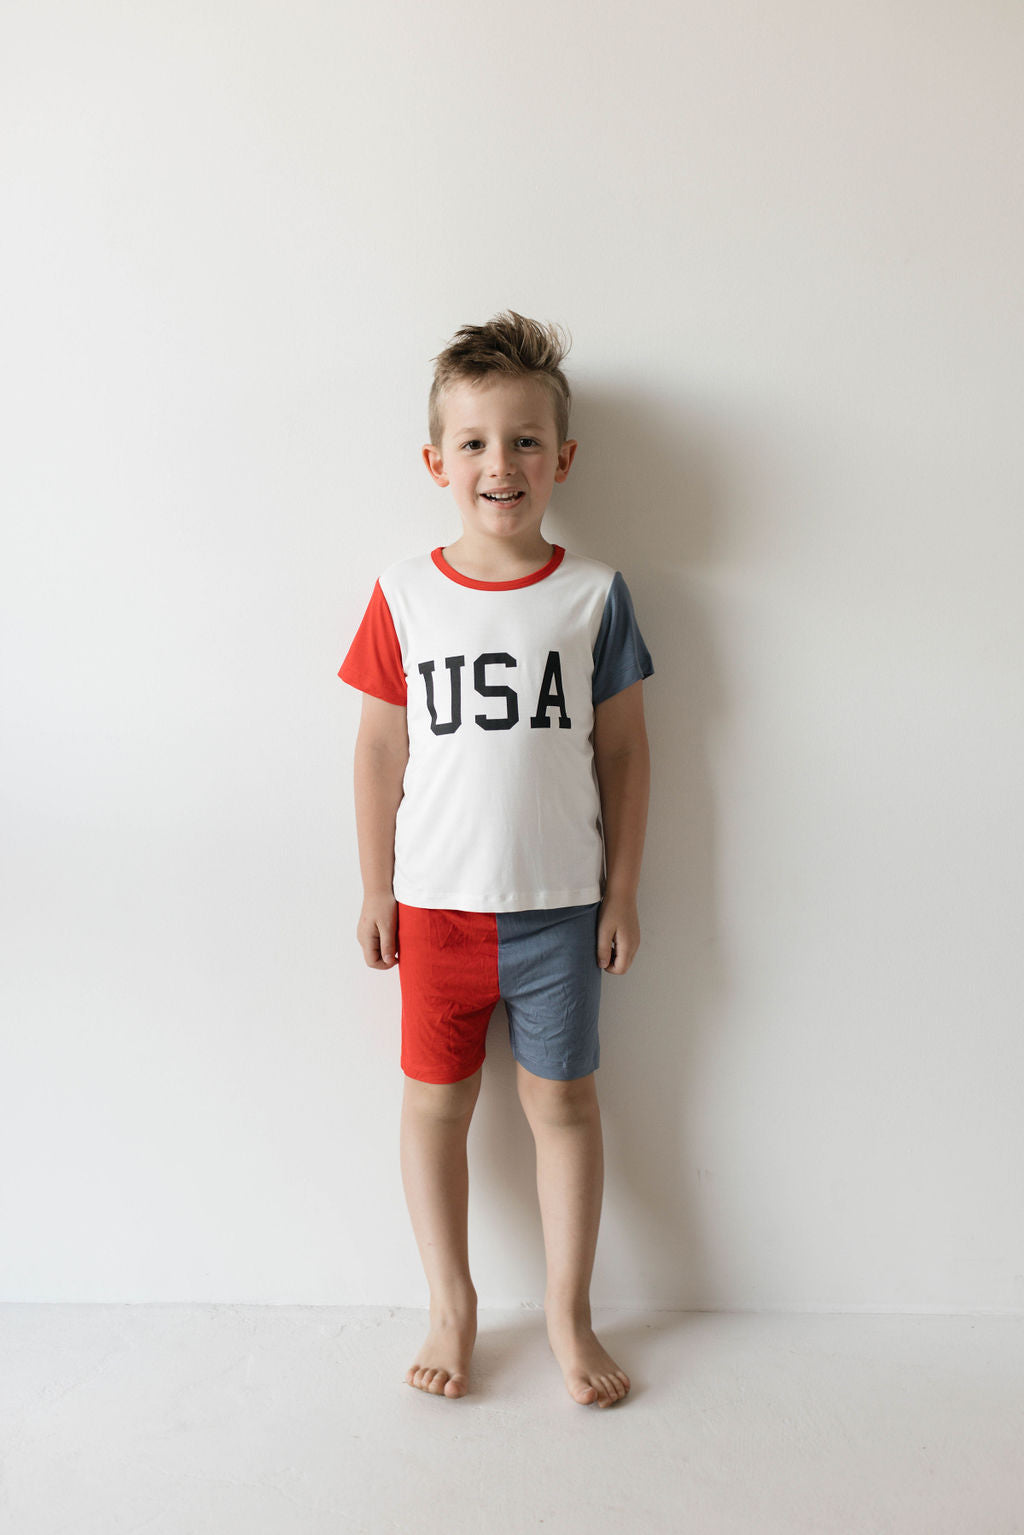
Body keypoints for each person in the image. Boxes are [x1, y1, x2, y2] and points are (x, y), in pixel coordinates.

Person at [338, 312, 653, 1408]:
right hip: (435, 910)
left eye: (524, 440)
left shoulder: (593, 593)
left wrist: (621, 893)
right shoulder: (403, 593)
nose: (499, 464)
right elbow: (380, 746)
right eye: (473, 442)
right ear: (436, 461)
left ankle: (568, 1312)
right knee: (436, 1105)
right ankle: (451, 1302)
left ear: (562, 457)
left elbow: (624, 749)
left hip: (560, 910)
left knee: (563, 1105)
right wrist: (376, 884)